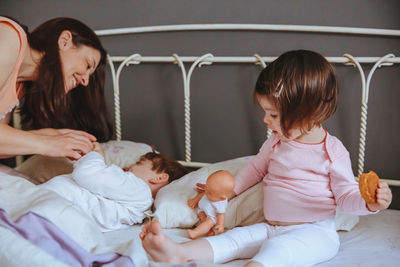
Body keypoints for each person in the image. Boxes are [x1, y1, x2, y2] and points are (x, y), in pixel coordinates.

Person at [139, 50, 393, 266]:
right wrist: (229, 190)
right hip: (270, 225)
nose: (265, 120)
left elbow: (346, 197)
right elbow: (256, 170)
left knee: (276, 252)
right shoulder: (276, 142)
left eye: (273, 115)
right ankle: (177, 253)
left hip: (314, 232)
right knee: (233, 240)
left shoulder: (332, 151)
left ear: (309, 112)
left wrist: (371, 204)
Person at [0, 16, 113, 161]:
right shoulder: (9, 37)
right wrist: (47, 143)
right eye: (88, 64)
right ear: (64, 41)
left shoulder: (19, 86)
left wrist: (48, 135)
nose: (85, 81)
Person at [40, 143, 189, 232]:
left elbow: (88, 173)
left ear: (160, 177)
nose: (126, 167)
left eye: (136, 164)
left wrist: (96, 154)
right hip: (47, 205)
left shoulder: (140, 191)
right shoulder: (137, 198)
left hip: (48, 208)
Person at [186, 170, 235, 239]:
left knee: (208, 223)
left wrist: (220, 225)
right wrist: (195, 200)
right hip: (202, 210)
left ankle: (195, 233)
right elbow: (203, 193)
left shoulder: (220, 203)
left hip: (212, 217)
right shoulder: (209, 190)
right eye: (207, 187)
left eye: (210, 193)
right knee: (202, 216)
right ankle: (210, 231)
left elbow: (221, 215)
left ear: (222, 198)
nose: (206, 192)